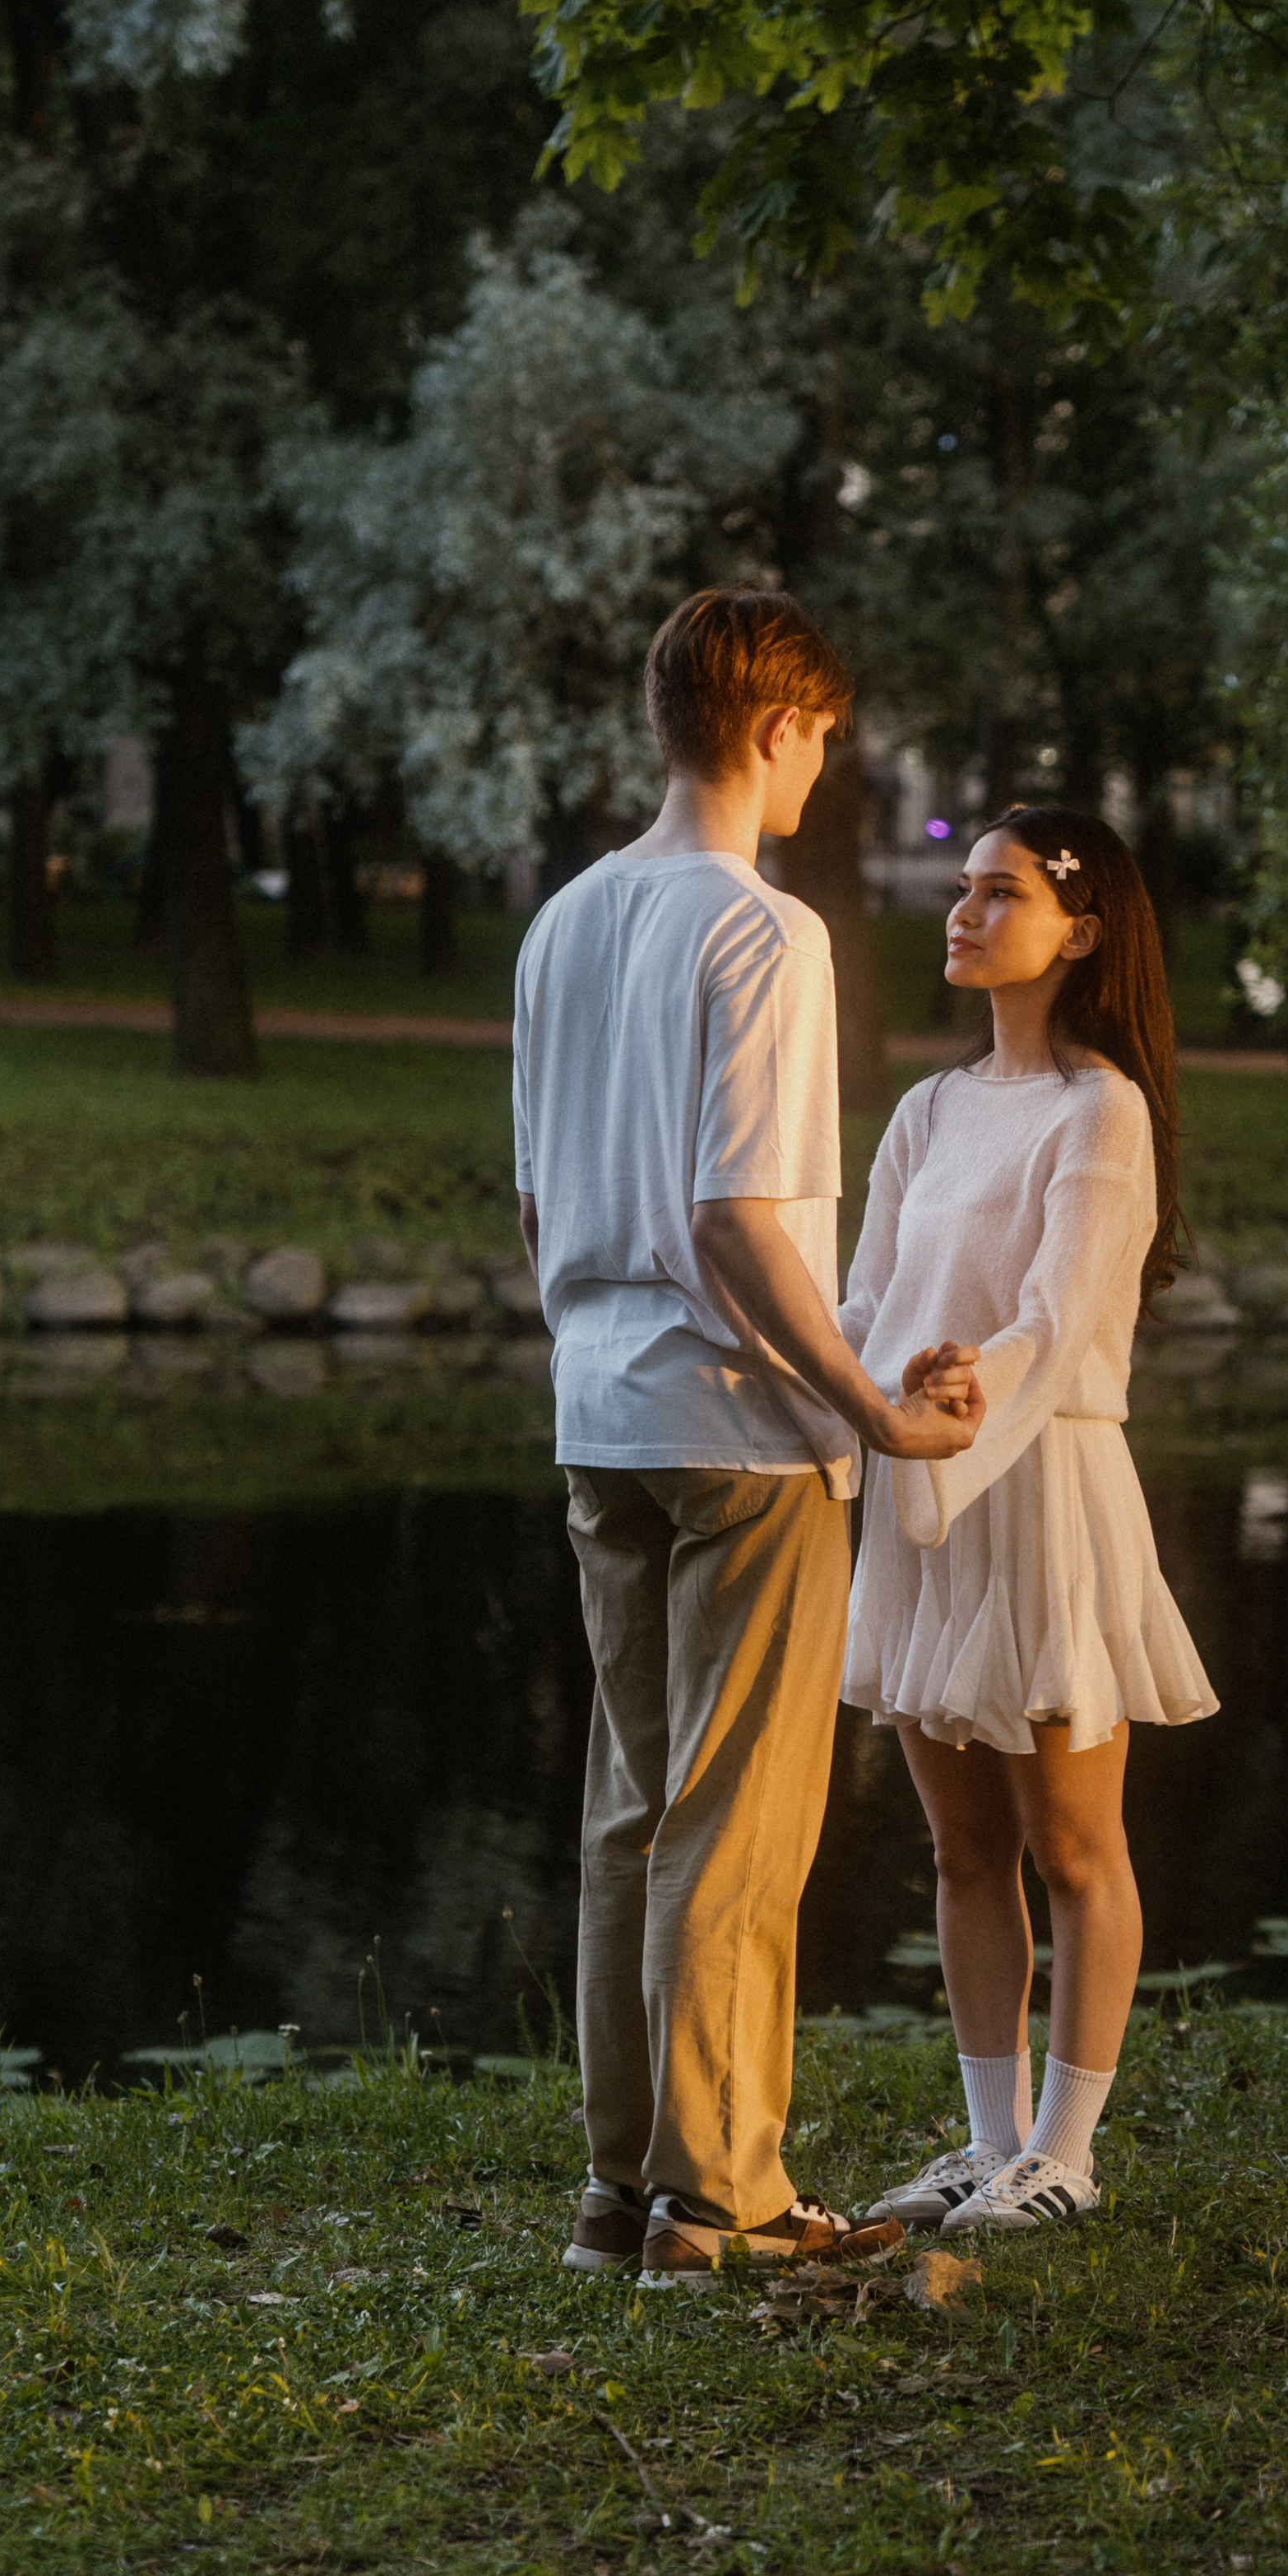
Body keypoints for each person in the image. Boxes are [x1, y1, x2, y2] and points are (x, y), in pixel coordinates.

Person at [511, 587, 985, 2291]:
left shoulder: (561, 922)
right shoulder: (764, 932)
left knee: (632, 1806)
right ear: (780, 727)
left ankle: (619, 2193)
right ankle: (725, 2203)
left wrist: (592, 1349)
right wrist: (872, 1414)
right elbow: (737, 1224)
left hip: (598, 1415)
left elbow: (532, 1201)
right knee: (734, 1825)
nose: (816, 784)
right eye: (820, 751)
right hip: (741, 1437)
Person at [840, 804, 1217, 2234]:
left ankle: (1068, 2153)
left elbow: (1059, 1323)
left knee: (1072, 1843)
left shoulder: (1100, 1110)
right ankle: (987, 2141)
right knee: (957, 1847)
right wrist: (877, 1394)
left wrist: (961, 1387)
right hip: (921, 1494)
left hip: (1042, 1490)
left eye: (998, 892)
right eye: (960, 888)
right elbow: (866, 1303)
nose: (962, 911)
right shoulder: (928, 1112)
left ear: (1082, 929)